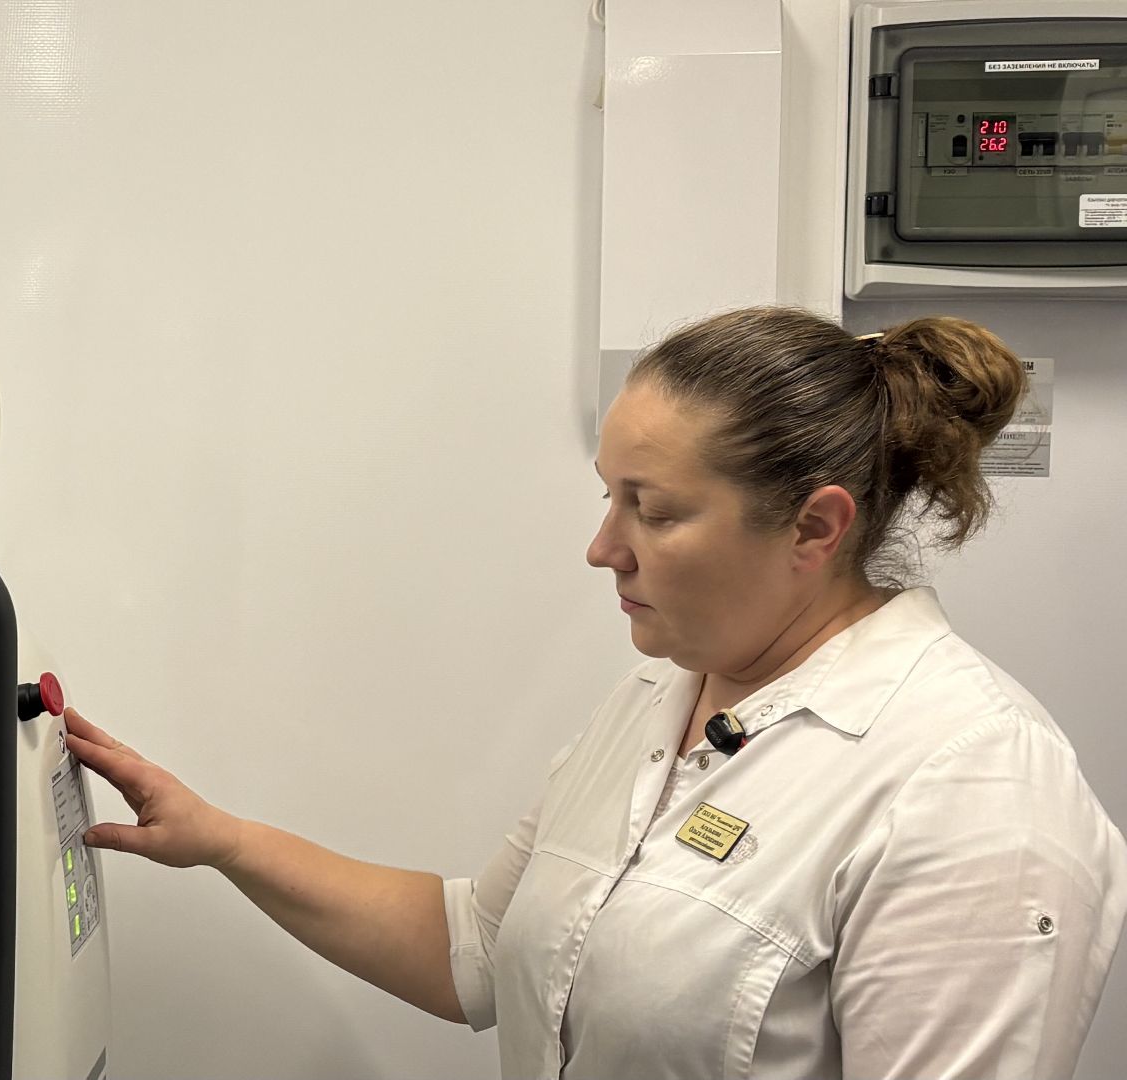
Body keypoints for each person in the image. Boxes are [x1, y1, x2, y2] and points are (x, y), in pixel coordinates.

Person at [64, 306, 1127, 1079]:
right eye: (608, 497)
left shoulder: (974, 790)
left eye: (652, 511)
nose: (602, 547)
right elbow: (479, 950)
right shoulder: (659, 701)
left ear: (814, 526)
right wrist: (223, 839)